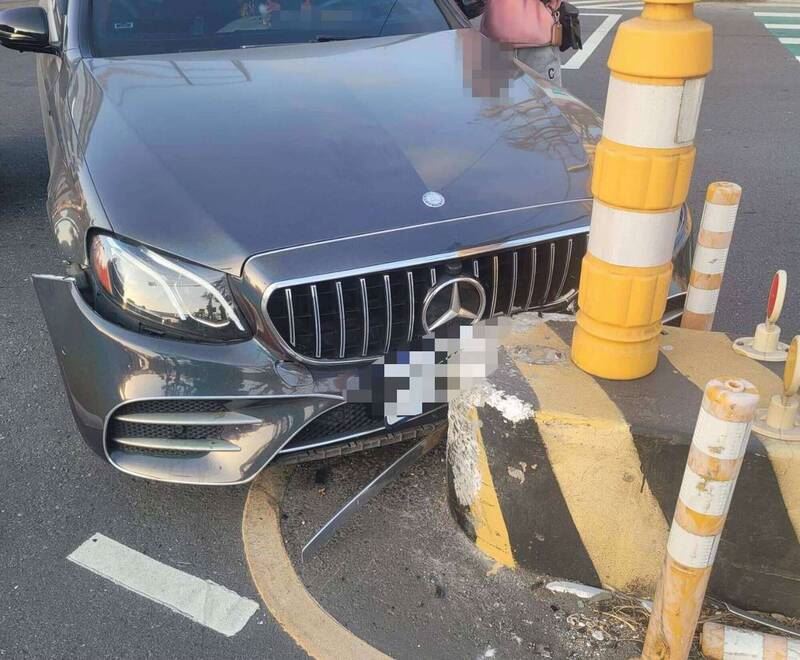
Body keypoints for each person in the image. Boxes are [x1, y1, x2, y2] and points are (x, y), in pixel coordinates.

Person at [479, 0, 563, 86]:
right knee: (545, 94)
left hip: (495, 29)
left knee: (497, 94)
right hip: (537, 34)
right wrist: (550, 8)